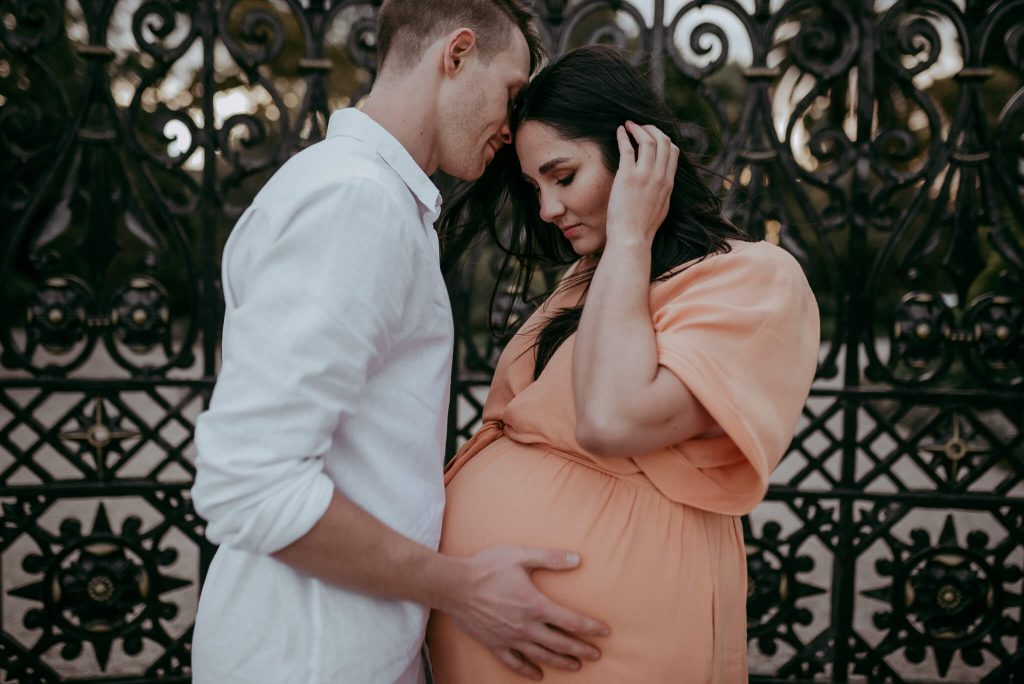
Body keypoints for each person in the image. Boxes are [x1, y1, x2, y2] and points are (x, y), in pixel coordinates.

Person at [189, 4, 611, 683]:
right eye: (509, 91)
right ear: (457, 54)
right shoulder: (355, 203)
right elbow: (251, 484)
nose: (512, 124)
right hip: (308, 661)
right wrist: (461, 587)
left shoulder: (365, 193)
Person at [427, 44, 820, 682]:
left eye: (564, 176)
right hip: (488, 632)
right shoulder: (592, 280)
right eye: (535, 189)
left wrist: (634, 234)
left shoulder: (753, 279)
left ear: (636, 153)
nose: (548, 211)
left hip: (612, 645)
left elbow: (611, 420)